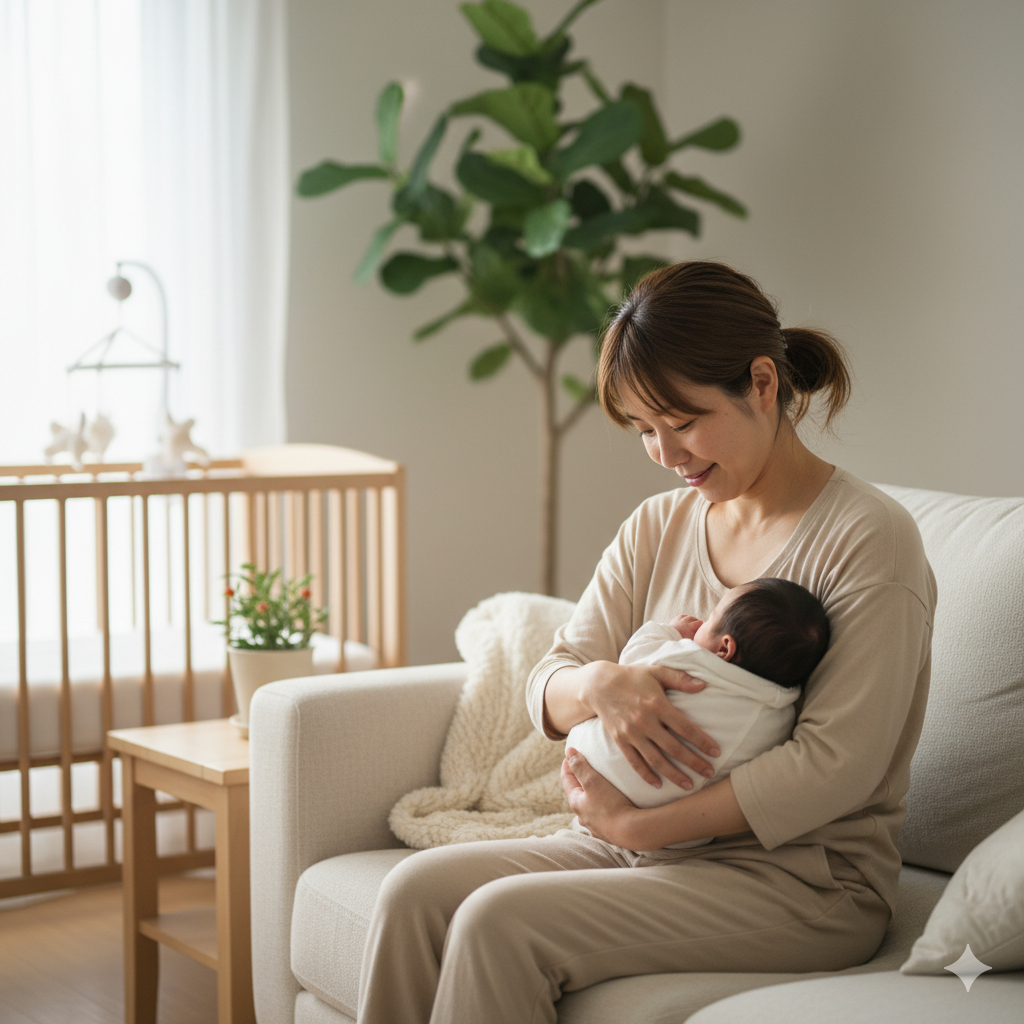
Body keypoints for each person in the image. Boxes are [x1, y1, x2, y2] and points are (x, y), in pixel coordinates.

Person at [357, 261, 936, 1024]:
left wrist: (637, 825)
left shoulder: (868, 540)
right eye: (643, 430)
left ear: (762, 383)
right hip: (633, 848)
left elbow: (835, 767)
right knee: (413, 894)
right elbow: (549, 680)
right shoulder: (657, 527)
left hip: (801, 881)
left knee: (499, 924)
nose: (664, 453)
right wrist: (598, 686)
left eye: (683, 422)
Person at [566, 578, 829, 844]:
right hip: (676, 833)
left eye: (712, 617)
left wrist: (669, 631)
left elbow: (630, 664)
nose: (701, 622)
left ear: (724, 648)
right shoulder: (780, 720)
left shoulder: (692, 660)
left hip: (594, 764)